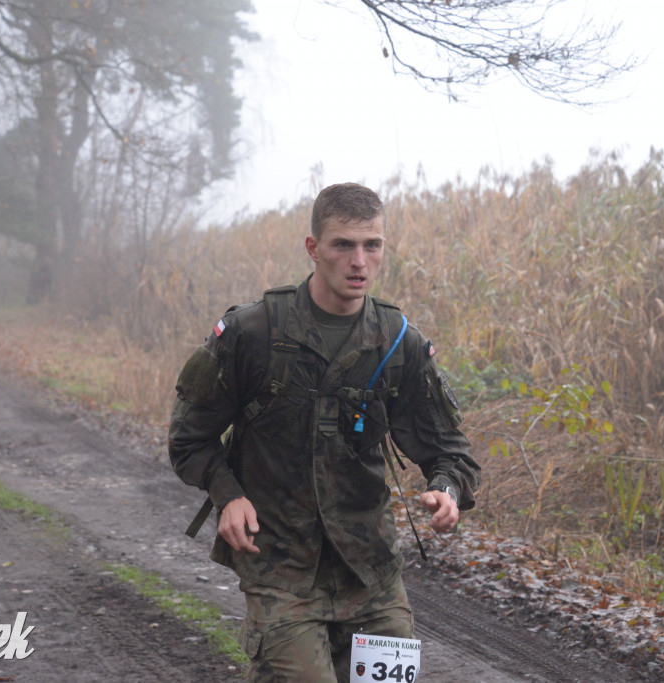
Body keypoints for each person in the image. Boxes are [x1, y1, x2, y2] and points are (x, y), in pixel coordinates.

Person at [169, 182, 480, 682]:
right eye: (343, 245)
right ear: (314, 248)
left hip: (371, 573)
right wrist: (228, 495)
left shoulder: (398, 342)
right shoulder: (254, 333)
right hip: (281, 569)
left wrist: (445, 490)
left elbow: (450, 450)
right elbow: (188, 438)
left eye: (372, 245)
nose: (359, 260)